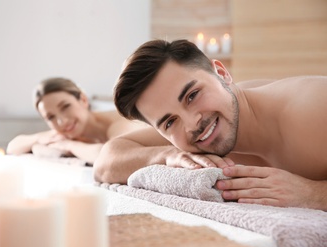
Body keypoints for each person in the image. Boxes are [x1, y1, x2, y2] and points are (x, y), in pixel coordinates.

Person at [93, 39, 327, 210]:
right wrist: (167, 156)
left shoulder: (314, 108)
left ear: (222, 73)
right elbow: (105, 162)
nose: (192, 124)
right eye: (169, 122)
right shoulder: (192, 138)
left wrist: (313, 193)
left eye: (192, 95)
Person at [7, 77, 147, 165]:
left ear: (83, 100)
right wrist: (42, 138)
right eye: (51, 117)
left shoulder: (121, 123)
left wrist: (69, 145)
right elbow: (13, 146)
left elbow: (110, 156)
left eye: (65, 107)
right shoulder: (64, 132)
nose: (62, 121)